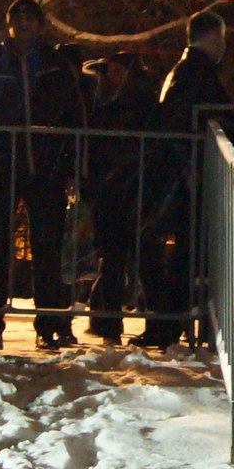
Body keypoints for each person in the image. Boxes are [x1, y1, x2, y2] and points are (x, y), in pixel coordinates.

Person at [0, 0, 86, 351]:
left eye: (29, 18)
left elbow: (74, 114)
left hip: (46, 166)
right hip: (3, 163)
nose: (23, 25)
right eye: (17, 18)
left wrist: (71, 164)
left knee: (47, 248)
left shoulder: (55, 64)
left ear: (40, 24)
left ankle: (48, 324)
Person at [136, 10, 230, 349]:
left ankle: (166, 321)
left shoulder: (183, 70)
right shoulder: (199, 73)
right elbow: (205, 120)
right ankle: (168, 321)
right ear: (214, 36)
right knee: (183, 252)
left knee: (172, 250)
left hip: (178, 171)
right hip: (186, 174)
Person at [83, 51, 155, 344]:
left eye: (116, 71)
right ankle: (108, 322)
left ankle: (120, 321)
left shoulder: (138, 105)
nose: (110, 77)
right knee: (113, 258)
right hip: (114, 188)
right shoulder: (107, 103)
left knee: (138, 257)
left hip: (131, 187)